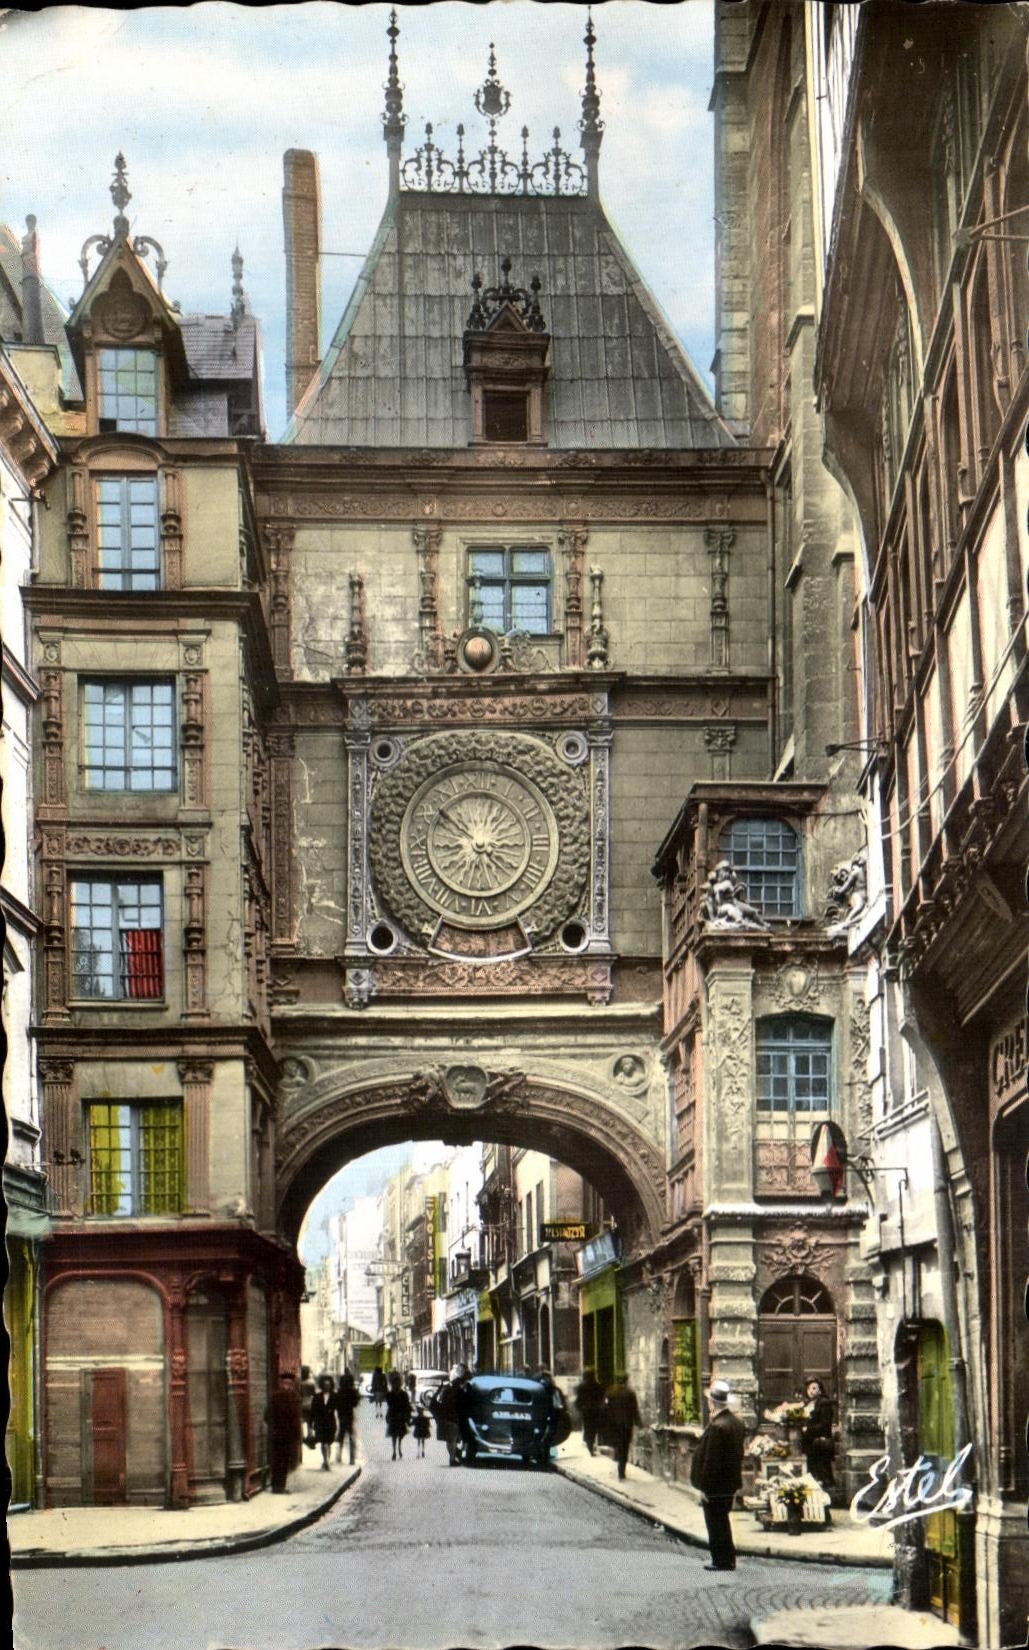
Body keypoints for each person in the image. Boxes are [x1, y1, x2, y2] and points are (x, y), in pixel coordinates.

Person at [690, 1378, 747, 1571]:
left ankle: (721, 1560)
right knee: (723, 1519)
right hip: (729, 1481)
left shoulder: (717, 1426)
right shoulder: (736, 1422)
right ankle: (728, 1558)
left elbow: (711, 1461)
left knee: (715, 1523)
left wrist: (704, 1487)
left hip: (716, 1484)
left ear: (712, 1403)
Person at [268, 1371, 303, 1493]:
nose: (287, 1386)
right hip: (279, 1434)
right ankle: (277, 1487)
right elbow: (267, 1415)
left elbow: (297, 1417)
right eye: (285, 1383)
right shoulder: (276, 1397)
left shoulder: (294, 1398)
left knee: (283, 1461)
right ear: (281, 1383)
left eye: (289, 1384)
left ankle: (278, 1486)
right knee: (279, 1461)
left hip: (286, 1435)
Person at [603, 1372, 641, 1481]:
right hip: (626, 1425)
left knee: (618, 1445)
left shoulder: (610, 1392)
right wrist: (638, 1422)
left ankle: (618, 1462)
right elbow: (635, 1409)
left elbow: (605, 1408)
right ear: (626, 1380)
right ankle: (621, 1471)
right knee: (624, 1447)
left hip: (613, 1424)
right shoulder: (630, 1393)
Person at [801, 1377, 836, 1492]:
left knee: (822, 1471)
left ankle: (826, 1491)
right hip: (812, 1441)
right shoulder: (810, 1403)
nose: (811, 1391)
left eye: (814, 1388)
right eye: (809, 1388)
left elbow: (824, 1425)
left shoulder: (824, 1403)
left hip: (821, 1441)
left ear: (820, 1390)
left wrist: (807, 1429)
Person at [432, 1364, 468, 1466]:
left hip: (446, 1417)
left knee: (451, 1440)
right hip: (454, 1418)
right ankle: (452, 1459)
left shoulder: (448, 1388)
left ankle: (453, 1458)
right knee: (453, 1440)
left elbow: (440, 1400)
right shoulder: (459, 1390)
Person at [308, 1373, 337, 1472]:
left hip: (331, 1423)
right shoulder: (317, 1396)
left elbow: (337, 1410)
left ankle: (326, 1461)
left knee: (328, 1443)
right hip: (320, 1423)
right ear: (322, 1385)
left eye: (328, 1385)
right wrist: (310, 1426)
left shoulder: (334, 1396)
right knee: (323, 1443)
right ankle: (327, 1462)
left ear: (331, 1385)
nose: (327, 1386)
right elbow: (312, 1412)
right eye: (325, 1385)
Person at [575, 1367, 606, 1457]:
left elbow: (579, 1399)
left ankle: (589, 1444)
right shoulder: (598, 1386)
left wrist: (579, 1408)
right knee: (594, 1428)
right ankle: (591, 1444)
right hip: (596, 1410)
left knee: (588, 1427)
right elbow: (602, 1397)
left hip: (586, 1410)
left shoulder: (582, 1386)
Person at [334, 1368, 361, 1465]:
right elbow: (356, 1403)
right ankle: (352, 1458)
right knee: (351, 1435)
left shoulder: (340, 1391)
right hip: (349, 1414)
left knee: (341, 1434)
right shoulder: (352, 1391)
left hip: (341, 1414)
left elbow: (336, 1403)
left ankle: (339, 1456)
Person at [384, 1369, 412, 1461]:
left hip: (394, 1415)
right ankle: (398, 1449)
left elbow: (389, 1404)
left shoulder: (390, 1394)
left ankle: (395, 1450)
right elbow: (407, 1405)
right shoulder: (403, 1394)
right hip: (399, 1416)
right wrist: (408, 1416)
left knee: (394, 1435)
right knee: (398, 1434)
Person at [299, 1364, 317, 1448]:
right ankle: (310, 1437)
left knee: (301, 1421)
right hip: (310, 1404)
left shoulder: (300, 1383)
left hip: (302, 1404)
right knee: (310, 1423)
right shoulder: (311, 1382)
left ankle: (302, 1437)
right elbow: (314, 1394)